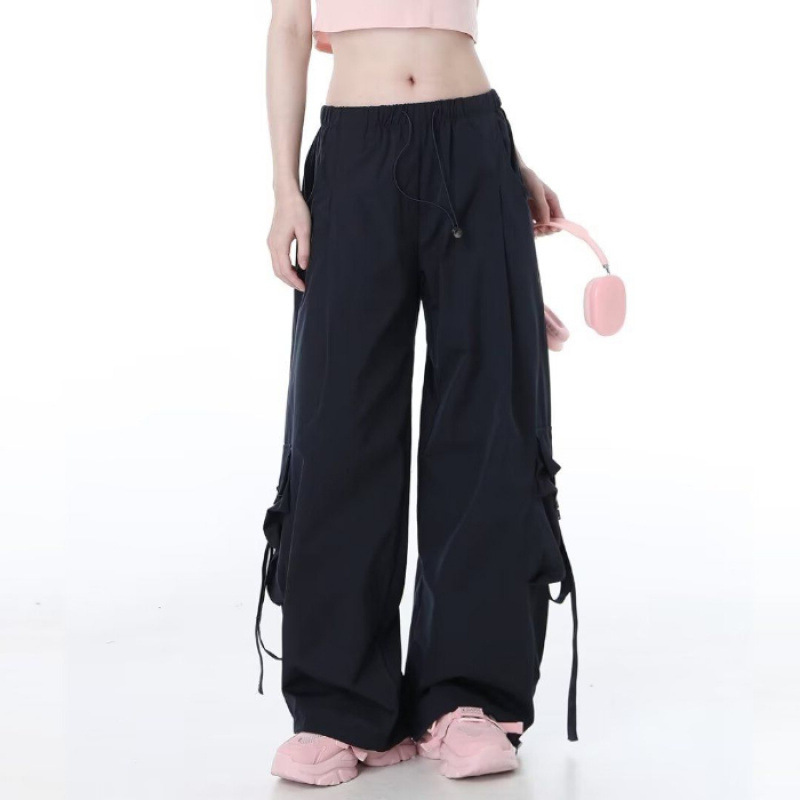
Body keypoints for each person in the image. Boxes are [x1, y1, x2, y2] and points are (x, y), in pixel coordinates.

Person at [257, 0, 578, 786]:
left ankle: (468, 699)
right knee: (340, 423)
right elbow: (291, 27)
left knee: (488, 419)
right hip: (355, 150)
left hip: (473, 142)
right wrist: (285, 188)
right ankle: (338, 704)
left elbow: (446, 34)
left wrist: (508, 163)